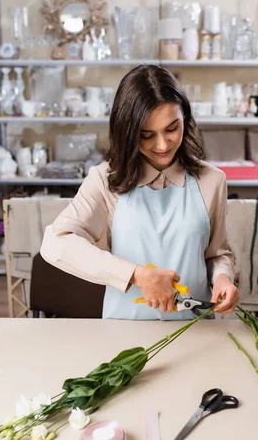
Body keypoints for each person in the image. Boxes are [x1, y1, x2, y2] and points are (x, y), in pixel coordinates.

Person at [41, 65, 240, 319]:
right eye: (146, 135)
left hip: (196, 328)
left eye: (171, 128)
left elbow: (216, 253)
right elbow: (55, 244)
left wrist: (223, 277)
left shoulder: (212, 180)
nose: (162, 144)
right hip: (124, 331)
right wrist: (136, 275)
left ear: (185, 119)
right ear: (127, 133)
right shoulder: (105, 180)